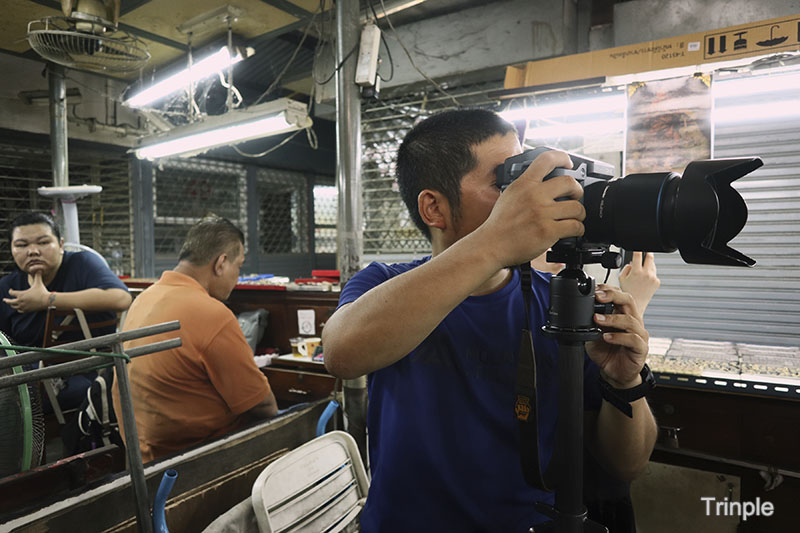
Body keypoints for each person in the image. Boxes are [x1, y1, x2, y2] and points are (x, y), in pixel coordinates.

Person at [322, 109, 659, 532]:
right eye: (509, 183)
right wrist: (495, 242)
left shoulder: (559, 301)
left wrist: (625, 382)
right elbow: (341, 353)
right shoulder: (385, 283)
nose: (532, 197)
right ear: (434, 207)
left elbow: (627, 464)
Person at [112, 217, 278, 463]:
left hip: (142, 454)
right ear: (221, 263)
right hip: (195, 457)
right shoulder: (212, 313)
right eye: (239, 268)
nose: (237, 278)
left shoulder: (145, 297)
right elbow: (264, 406)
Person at [0, 211, 131, 409]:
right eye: (22, 245)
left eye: (43, 242)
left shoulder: (82, 264)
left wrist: (48, 300)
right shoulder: (7, 287)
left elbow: (121, 297)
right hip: (28, 380)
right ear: (11, 249)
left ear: (61, 244)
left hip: (90, 375)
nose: (33, 251)